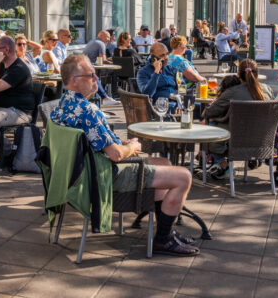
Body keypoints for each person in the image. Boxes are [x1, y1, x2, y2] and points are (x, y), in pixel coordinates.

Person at [51, 54, 199, 256]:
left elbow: (93, 140)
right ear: (74, 80)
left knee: (164, 162)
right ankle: (163, 239)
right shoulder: (88, 110)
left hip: (78, 175)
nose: (96, 80)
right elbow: (116, 155)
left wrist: (121, 143)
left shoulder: (60, 107)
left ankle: (166, 230)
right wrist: (132, 147)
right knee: (184, 177)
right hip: (103, 179)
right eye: (91, 75)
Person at [202, 59, 273, 179]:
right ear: (256, 74)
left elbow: (208, 112)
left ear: (238, 75)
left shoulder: (232, 92)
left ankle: (223, 165)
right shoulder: (267, 89)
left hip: (235, 140)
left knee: (210, 124)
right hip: (262, 140)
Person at [82, 31, 120, 106]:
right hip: (88, 70)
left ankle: (99, 106)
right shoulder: (101, 44)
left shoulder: (92, 41)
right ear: (101, 36)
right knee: (113, 73)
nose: (109, 39)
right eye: (107, 37)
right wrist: (114, 63)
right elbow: (103, 60)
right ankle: (112, 94)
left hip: (85, 69)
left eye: (109, 37)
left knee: (95, 79)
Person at [136, 42, 179, 107]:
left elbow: (181, 87)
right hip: (160, 106)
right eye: (162, 55)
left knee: (199, 108)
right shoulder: (143, 72)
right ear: (153, 58)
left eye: (167, 54)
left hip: (176, 102)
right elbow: (147, 94)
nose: (166, 57)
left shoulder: (171, 69)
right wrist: (156, 72)